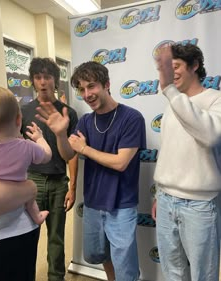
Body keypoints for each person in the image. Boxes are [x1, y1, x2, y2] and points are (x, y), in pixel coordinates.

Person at [35, 61, 146, 281]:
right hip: (93, 203)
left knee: (126, 266)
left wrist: (85, 148)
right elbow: (68, 154)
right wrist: (60, 134)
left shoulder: (132, 118)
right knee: (100, 254)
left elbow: (121, 162)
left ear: (107, 85)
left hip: (121, 204)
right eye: (82, 89)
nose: (87, 94)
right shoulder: (86, 121)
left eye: (92, 86)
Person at [151, 43, 221, 281]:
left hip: (200, 206)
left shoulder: (215, 100)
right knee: (173, 274)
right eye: (168, 68)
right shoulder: (173, 103)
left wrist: (170, 90)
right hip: (166, 200)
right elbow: (169, 151)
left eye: (177, 66)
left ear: (195, 66)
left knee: (204, 275)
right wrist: (159, 194)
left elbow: (210, 135)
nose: (171, 73)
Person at [21, 57, 78, 281]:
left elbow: (73, 155)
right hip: (31, 181)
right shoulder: (23, 111)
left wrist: (72, 186)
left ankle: (56, 277)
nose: (43, 82)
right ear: (33, 81)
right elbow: (15, 148)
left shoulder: (68, 113)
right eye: (38, 77)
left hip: (57, 182)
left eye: (48, 77)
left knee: (56, 237)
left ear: (56, 80)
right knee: (27, 236)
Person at [0, 85, 52, 232]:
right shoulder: (26, 146)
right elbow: (47, 156)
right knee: (29, 193)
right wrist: (40, 139)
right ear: (18, 119)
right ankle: (37, 216)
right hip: (16, 209)